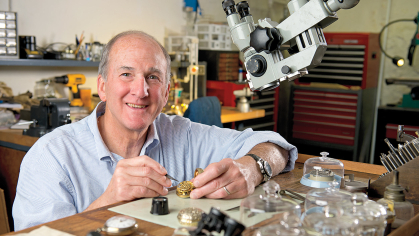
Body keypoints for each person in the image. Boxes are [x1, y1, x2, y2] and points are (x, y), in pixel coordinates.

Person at [13, 30, 298, 230]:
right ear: (102, 87)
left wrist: (254, 167)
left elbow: (276, 145)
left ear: (166, 93)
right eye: (126, 74)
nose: (141, 91)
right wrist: (106, 204)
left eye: (153, 77)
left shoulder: (183, 134)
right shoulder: (50, 157)